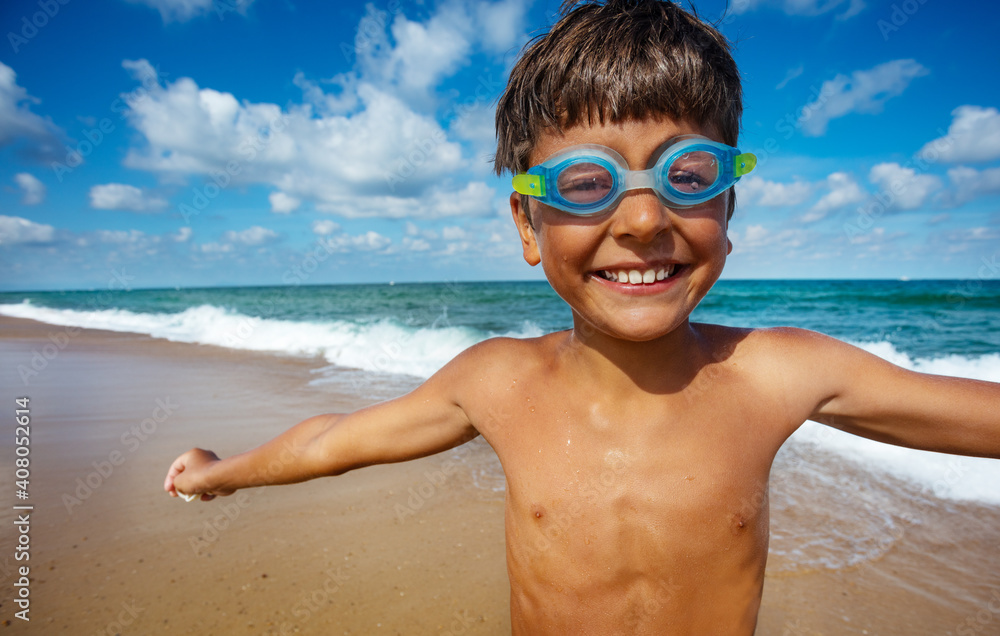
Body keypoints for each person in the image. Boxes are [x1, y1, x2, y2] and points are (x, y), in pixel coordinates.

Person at [164, 1, 1000, 633]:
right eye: (585, 184)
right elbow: (332, 444)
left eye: (689, 172)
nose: (642, 221)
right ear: (527, 226)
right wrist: (216, 471)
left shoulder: (778, 372)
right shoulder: (498, 381)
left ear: (729, 202)